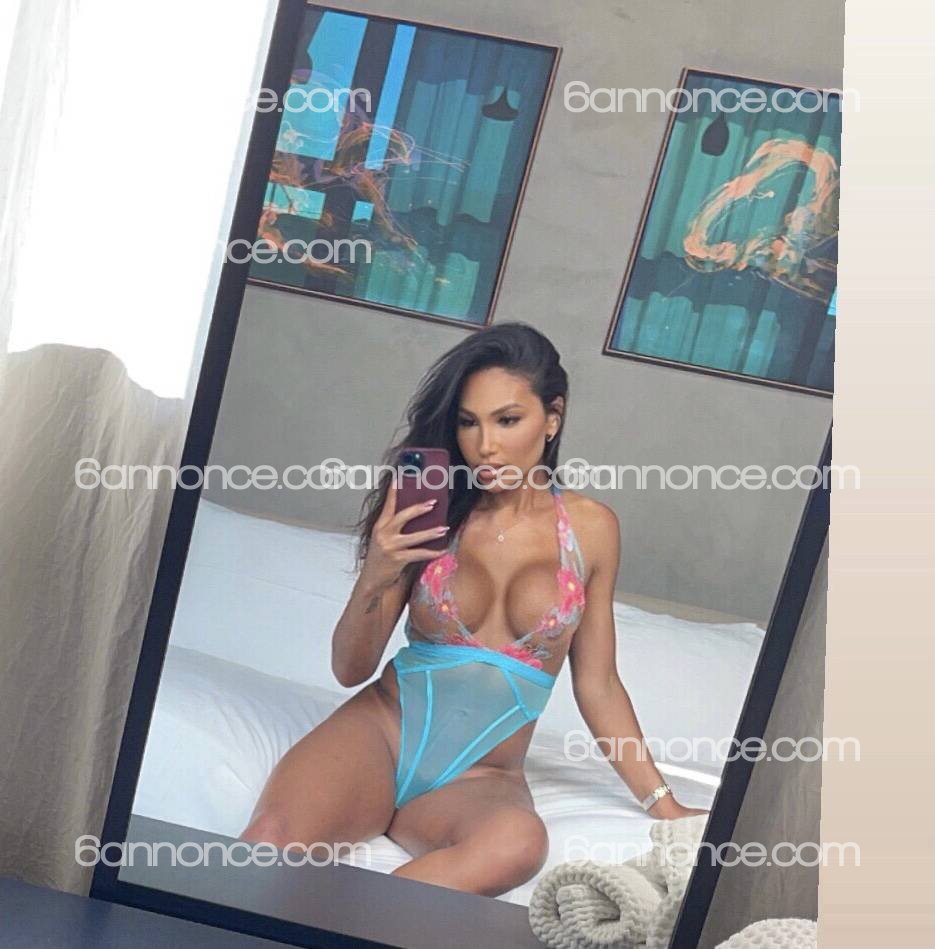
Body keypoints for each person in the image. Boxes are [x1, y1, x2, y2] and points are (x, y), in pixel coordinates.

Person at [241, 322, 704, 897]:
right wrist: (377, 571)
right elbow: (349, 669)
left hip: (480, 775)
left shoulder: (591, 530)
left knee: (518, 844)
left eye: (507, 420)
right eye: (468, 422)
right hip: (380, 734)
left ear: (552, 417)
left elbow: (599, 684)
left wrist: (663, 803)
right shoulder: (429, 512)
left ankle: (337, 923)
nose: (484, 445)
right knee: (268, 843)